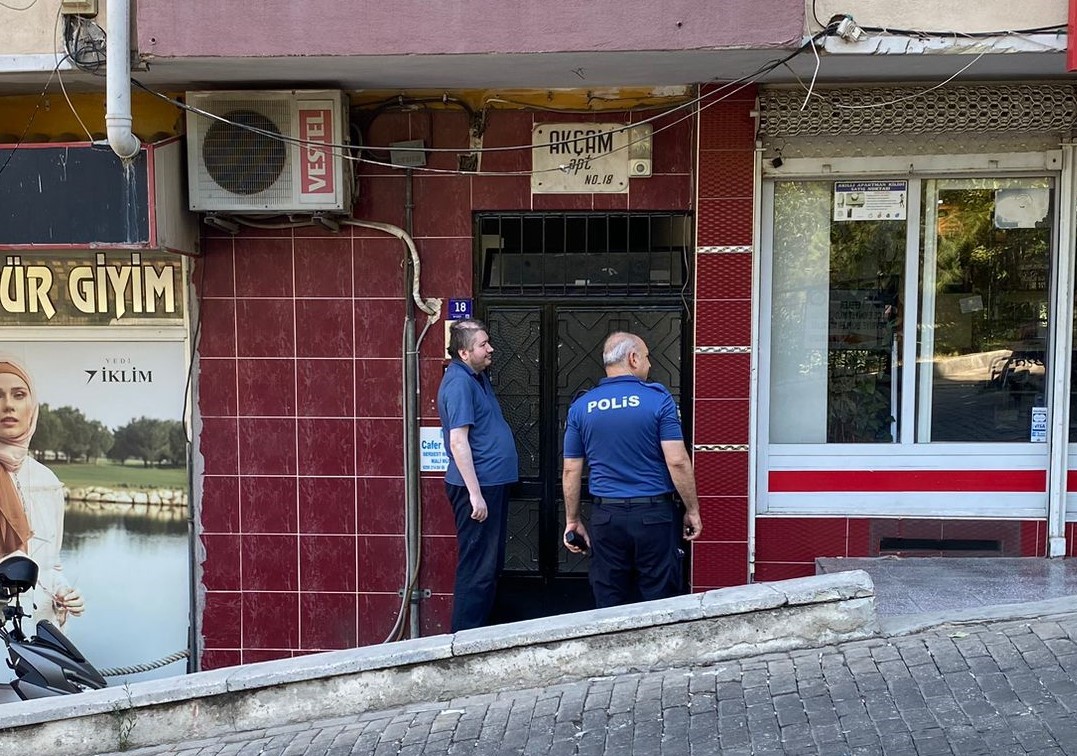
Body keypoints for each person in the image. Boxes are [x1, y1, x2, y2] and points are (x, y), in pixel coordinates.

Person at [562, 332, 702, 609]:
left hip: (606, 518)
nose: (649, 365)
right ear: (633, 358)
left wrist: (573, 520)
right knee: (660, 599)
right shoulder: (658, 400)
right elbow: (677, 460)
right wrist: (692, 509)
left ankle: (614, 652)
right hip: (654, 518)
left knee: (610, 599)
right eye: (648, 357)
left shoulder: (581, 407)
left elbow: (570, 470)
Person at [437, 319, 519, 631]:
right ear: (463, 351)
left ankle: (480, 634)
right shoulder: (458, 383)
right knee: (477, 568)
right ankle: (464, 640)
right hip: (478, 488)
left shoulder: (475, 377)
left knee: (488, 565)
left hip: (489, 484)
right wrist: (474, 494)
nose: (490, 349)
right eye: (483, 344)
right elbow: (458, 441)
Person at [0, 357, 84, 627]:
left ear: (31, 406)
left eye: (19, 395)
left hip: (39, 633)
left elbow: (51, 566)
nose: (8, 405)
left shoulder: (47, 481)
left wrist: (64, 593)